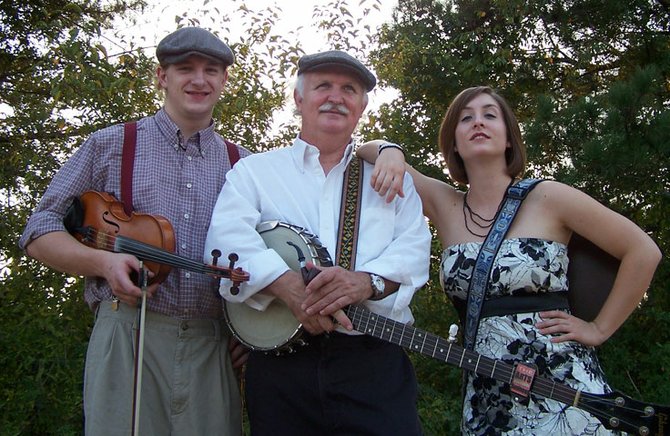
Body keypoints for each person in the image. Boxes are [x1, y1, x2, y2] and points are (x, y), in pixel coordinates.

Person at [357, 86, 662, 435]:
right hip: (488, 398)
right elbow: (365, 150)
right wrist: (392, 152)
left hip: (563, 390)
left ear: (508, 138)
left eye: (490, 115)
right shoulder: (445, 204)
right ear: (454, 143)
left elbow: (643, 251)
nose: (478, 122)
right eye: (466, 118)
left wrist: (598, 329)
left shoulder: (549, 197)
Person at [19, 27, 250, 435]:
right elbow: (39, 229)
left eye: (211, 70)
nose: (199, 80)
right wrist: (103, 263)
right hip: (128, 332)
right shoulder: (111, 143)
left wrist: (251, 332)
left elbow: (264, 257)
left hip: (212, 342)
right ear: (162, 77)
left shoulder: (245, 165)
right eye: (185, 69)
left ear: (224, 81)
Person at [204, 50, 431, 435]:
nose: (336, 96)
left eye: (349, 89)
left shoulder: (392, 179)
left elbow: (413, 250)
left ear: (361, 107)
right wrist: (287, 286)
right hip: (282, 367)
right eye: (323, 85)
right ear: (298, 99)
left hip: (374, 362)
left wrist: (366, 282)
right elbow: (226, 242)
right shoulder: (255, 173)